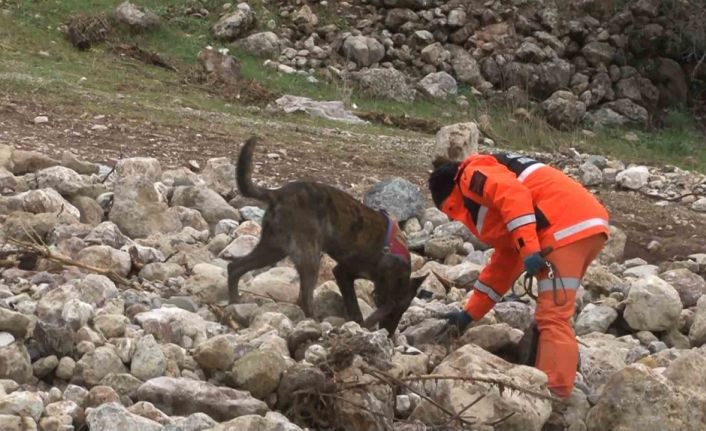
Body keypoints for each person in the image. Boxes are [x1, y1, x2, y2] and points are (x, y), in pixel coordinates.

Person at [427, 152, 610, 399]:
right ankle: (549, 375)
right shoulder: (491, 181)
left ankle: (554, 396)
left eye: (451, 210)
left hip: (564, 228)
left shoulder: (471, 175)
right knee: (553, 313)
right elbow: (503, 263)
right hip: (583, 226)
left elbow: (513, 195)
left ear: (450, 197)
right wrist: (470, 313)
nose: (454, 217)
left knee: (553, 316)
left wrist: (529, 247)